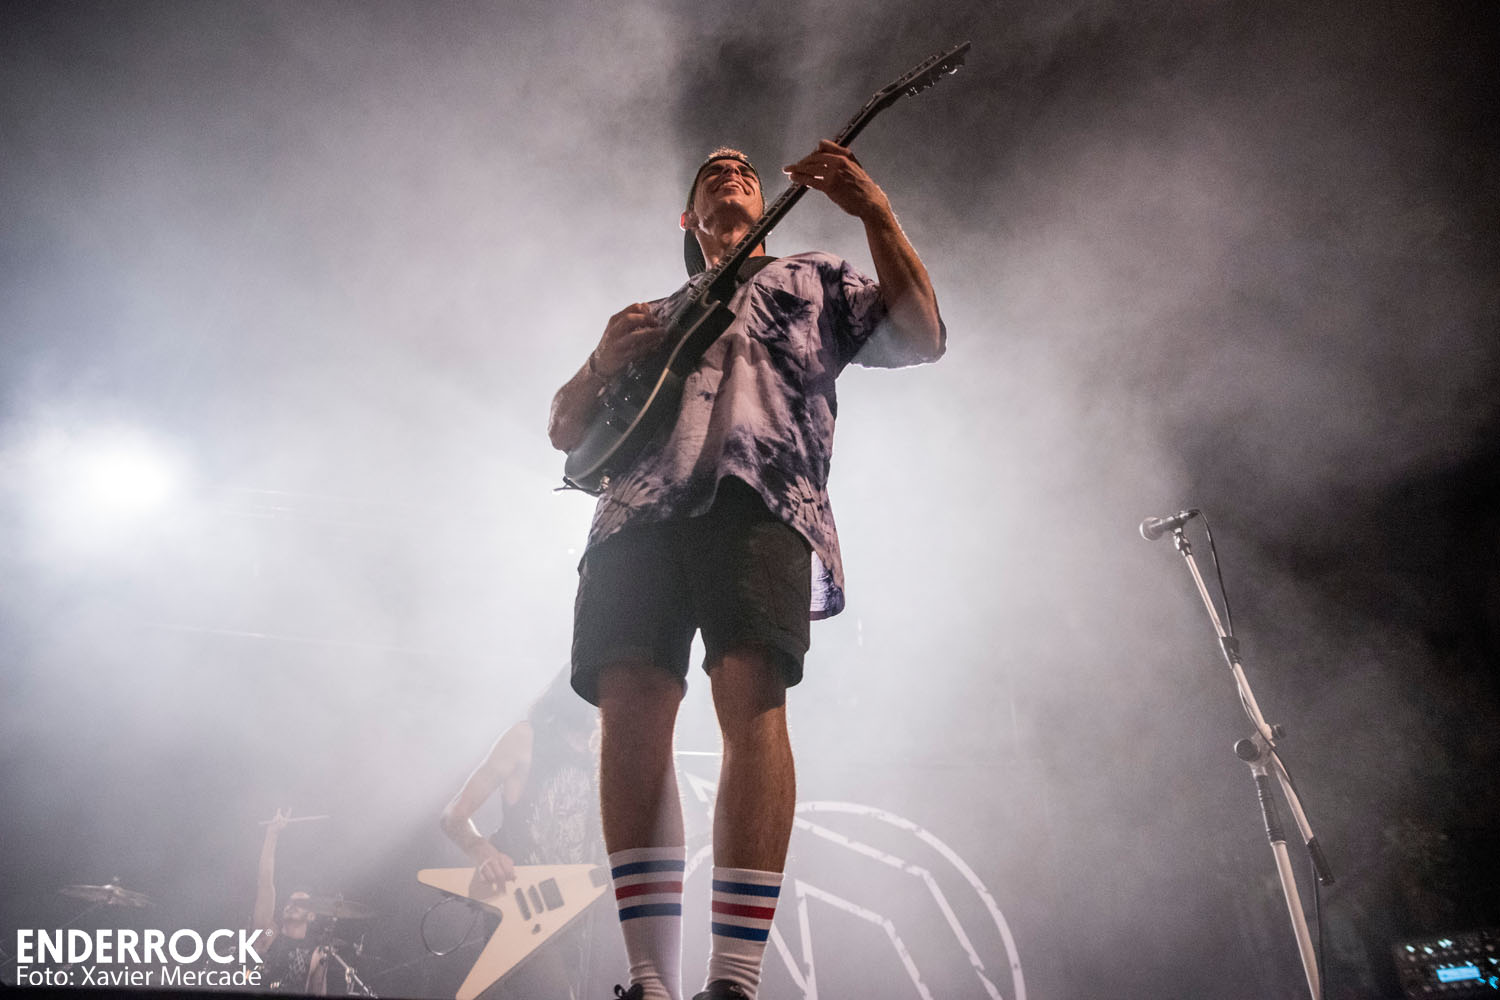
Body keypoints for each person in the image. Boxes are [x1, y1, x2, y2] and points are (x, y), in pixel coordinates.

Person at [547, 140, 944, 1000]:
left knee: (750, 697)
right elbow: (563, 432)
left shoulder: (814, 274)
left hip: (759, 493)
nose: (732, 170)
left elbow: (923, 334)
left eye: (746, 170)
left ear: (764, 202)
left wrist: (874, 210)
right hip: (635, 514)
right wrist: (598, 362)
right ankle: (649, 981)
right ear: (687, 219)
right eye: (711, 172)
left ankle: (733, 979)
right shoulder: (649, 315)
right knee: (630, 714)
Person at [439, 668, 606, 997]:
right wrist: (485, 854)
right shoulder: (526, 739)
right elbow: (453, 816)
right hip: (526, 911)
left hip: (588, 918)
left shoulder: (609, 751)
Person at [252, 810, 332, 994]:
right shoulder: (270, 933)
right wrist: (272, 835)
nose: (292, 905)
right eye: (290, 901)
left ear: (311, 916)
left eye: (301, 903)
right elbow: (265, 884)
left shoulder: (317, 953)